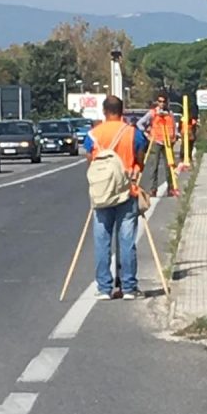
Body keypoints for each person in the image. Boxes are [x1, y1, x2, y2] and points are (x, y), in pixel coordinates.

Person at [84, 95, 148, 300]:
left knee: (102, 240)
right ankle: (129, 287)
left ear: (104, 112)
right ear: (122, 111)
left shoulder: (93, 134)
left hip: (102, 194)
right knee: (127, 240)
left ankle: (104, 288)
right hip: (126, 192)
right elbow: (140, 157)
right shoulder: (132, 133)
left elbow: (90, 161)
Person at [136, 93, 178, 196]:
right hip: (156, 141)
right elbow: (139, 123)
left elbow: (173, 126)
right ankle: (153, 189)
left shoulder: (170, 113)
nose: (162, 104)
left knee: (169, 166)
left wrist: (175, 136)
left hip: (168, 142)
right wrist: (147, 134)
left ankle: (171, 188)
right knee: (153, 167)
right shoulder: (153, 113)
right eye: (160, 101)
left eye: (164, 102)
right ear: (157, 102)